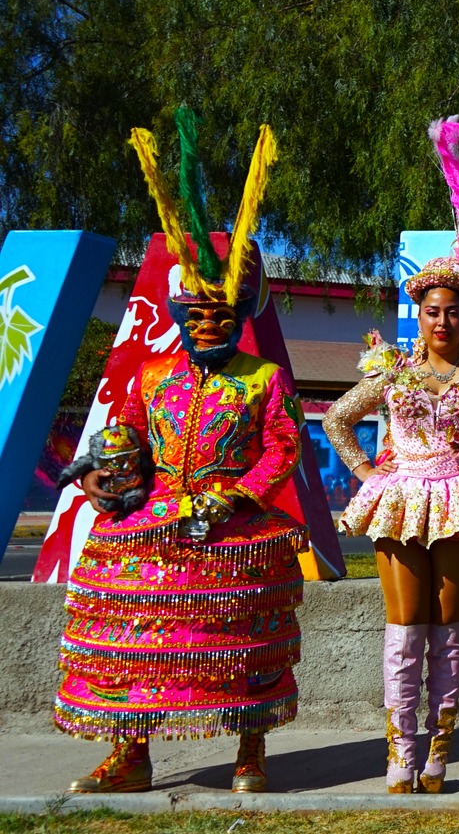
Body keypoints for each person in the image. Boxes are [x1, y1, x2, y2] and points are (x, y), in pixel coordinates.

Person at [61, 115, 305, 794]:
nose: (208, 326)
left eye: (221, 316)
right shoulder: (151, 378)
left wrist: (235, 497)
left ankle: (250, 751)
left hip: (236, 521)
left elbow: (284, 446)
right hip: (157, 518)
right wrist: (104, 475)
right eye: (196, 317)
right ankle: (130, 754)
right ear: (179, 318)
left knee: (243, 637)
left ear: (240, 316)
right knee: (133, 636)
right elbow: (127, 438)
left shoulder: (264, 378)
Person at [325, 119, 459, 793]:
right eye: (433, 311)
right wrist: (367, 472)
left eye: (454, 312)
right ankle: (400, 750)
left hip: (458, 502)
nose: (443, 321)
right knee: (404, 625)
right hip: (400, 496)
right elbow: (337, 420)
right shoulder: (391, 371)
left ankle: (440, 745)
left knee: (448, 623)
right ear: (420, 314)